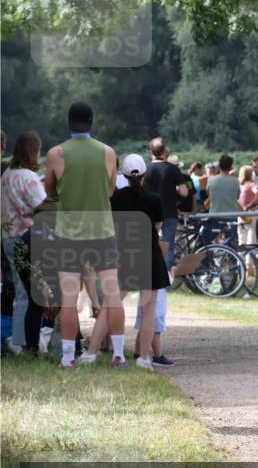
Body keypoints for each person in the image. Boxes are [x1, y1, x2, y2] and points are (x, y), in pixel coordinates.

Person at [43, 103, 126, 369]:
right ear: (92, 121)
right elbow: (111, 190)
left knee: (68, 298)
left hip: (69, 233)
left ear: (69, 122)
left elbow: (50, 191)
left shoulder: (56, 153)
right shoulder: (108, 152)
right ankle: (119, 355)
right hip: (102, 231)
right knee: (112, 294)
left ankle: (68, 358)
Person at [111, 154, 170, 370]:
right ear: (145, 174)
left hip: (126, 254)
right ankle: (144, 357)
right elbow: (157, 226)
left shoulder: (116, 198)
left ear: (124, 175)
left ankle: (110, 349)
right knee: (149, 310)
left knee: (115, 301)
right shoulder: (154, 199)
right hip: (150, 256)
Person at [1, 132, 46, 353]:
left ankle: (18, 339)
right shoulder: (28, 177)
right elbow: (43, 206)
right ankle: (24, 341)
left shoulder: (7, 175)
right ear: (32, 150)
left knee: (20, 291)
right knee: (32, 293)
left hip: (8, 235)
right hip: (26, 237)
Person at [143, 138, 189, 271]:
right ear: (165, 151)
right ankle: (164, 280)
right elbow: (184, 192)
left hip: (149, 213)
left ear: (151, 151)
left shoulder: (145, 168)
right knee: (168, 247)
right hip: (169, 212)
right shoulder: (172, 169)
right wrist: (173, 189)